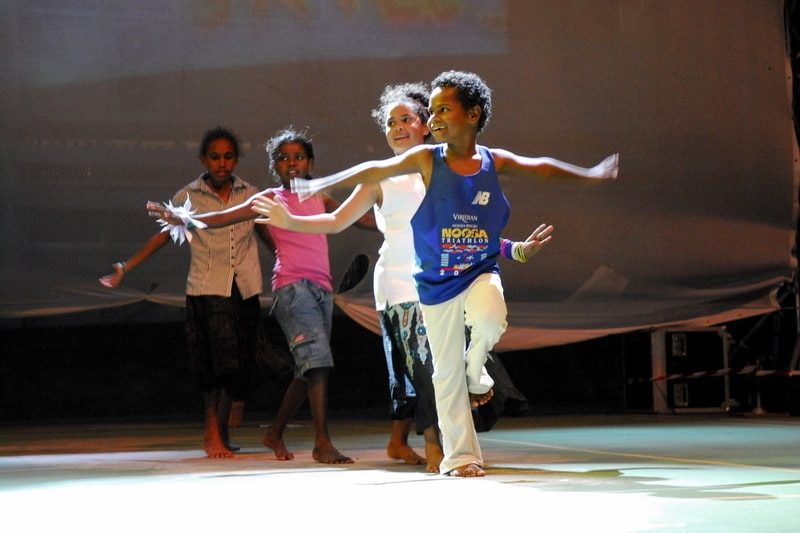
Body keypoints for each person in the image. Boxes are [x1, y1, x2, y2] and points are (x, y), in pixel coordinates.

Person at [287, 70, 619, 477]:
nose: (429, 119)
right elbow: (369, 174)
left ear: (470, 115)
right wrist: (321, 183)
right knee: (441, 372)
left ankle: (475, 365)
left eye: (439, 111)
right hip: (424, 281)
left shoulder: (486, 163)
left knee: (490, 316)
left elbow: (534, 175)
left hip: (476, 269)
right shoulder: (421, 162)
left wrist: (588, 176)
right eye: (430, 111)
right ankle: (458, 456)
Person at [252, 83, 552, 473]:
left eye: (406, 118)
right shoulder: (382, 176)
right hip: (400, 284)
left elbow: (472, 232)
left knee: (464, 360)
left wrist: (516, 249)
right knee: (429, 368)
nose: (397, 126)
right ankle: (437, 448)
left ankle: (447, 444)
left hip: (452, 278)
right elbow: (338, 219)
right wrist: (290, 220)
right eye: (390, 122)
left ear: (427, 125)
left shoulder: (450, 169)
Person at [150, 126, 375, 464]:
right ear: (276, 167)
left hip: (322, 290)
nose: (292, 163)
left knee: (310, 368)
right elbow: (220, 219)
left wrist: (405, 215)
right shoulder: (267, 200)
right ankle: (322, 442)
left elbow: (361, 219)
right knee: (319, 364)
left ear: (310, 161)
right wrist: (183, 217)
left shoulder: (321, 198)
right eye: (283, 159)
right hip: (292, 288)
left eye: (298, 157)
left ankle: (274, 432)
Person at [100, 126, 272, 458]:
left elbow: (264, 234)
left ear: (235, 159)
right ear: (204, 159)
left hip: (245, 287)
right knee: (213, 364)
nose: (222, 163)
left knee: (237, 366)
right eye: (215, 157)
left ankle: (219, 431)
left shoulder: (250, 193)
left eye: (228, 156)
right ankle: (211, 430)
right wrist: (126, 266)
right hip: (208, 288)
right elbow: (164, 236)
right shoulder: (187, 196)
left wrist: (286, 262)